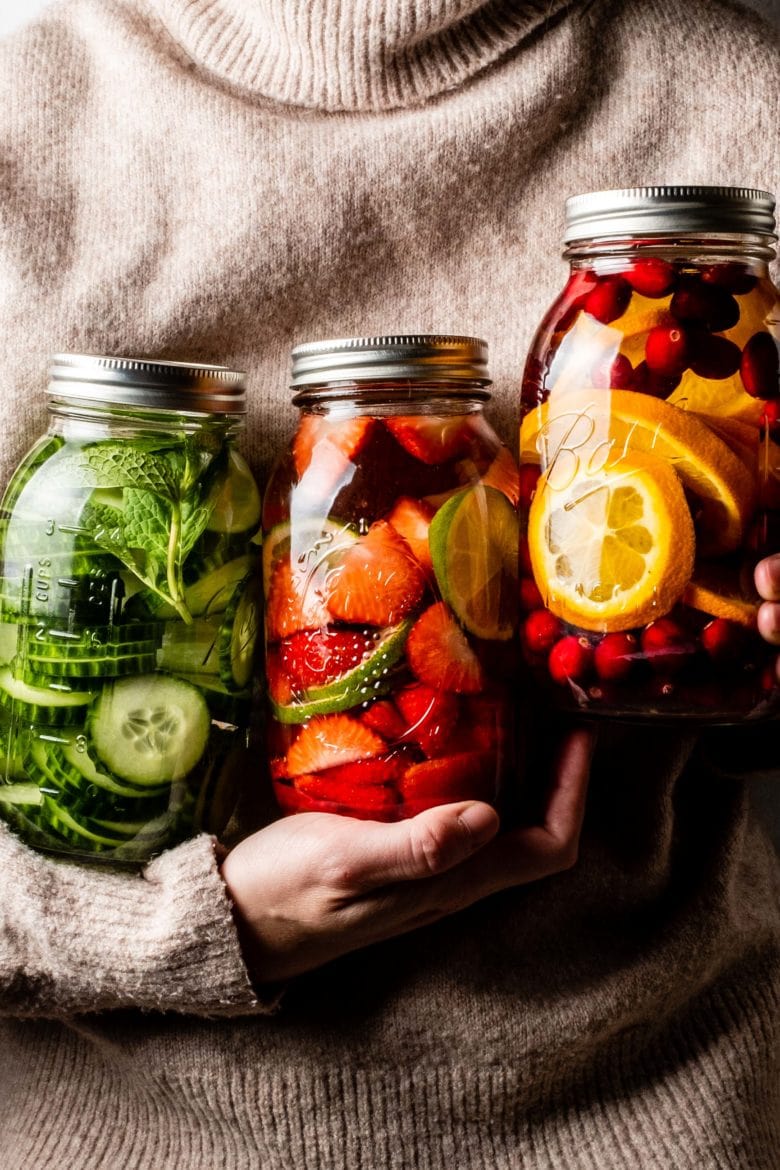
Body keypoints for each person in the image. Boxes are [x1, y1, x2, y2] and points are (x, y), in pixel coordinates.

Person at [0, 0, 779, 1166]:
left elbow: (713, 673)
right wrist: (191, 929)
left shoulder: (745, 100)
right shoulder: (26, 103)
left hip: (661, 1117)